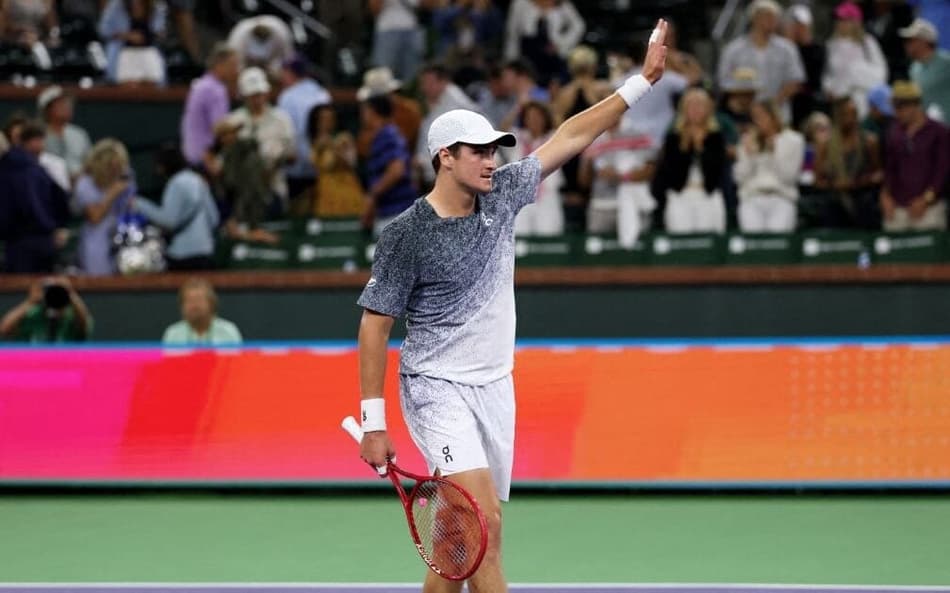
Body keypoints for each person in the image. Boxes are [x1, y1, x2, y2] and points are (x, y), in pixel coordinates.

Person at [355, 19, 668, 593]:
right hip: (434, 387)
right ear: (445, 157)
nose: (493, 161)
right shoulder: (406, 234)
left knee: (455, 535)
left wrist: (640, 84)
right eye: (479, 152)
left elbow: (571, 136)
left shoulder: (502, 194)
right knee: (485, 525)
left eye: (495, 151)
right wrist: (374, 424)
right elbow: (374, 328)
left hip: (496, 387)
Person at [651, 87, 728, 235]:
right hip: (680, 195)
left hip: (707, 194)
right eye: (691, 105)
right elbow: (668, 170)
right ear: (684, 109)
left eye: (699, 105)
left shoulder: (716, 137)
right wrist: (686, 147)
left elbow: (718, 168)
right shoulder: (673, 137)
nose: (695, 110)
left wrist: (700, 147)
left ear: (707, 109)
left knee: (707, 240)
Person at [131, 145, 220, 270]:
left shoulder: (176, 183)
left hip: (183, 256)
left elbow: (169, 221)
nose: (157, 170)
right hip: (206, 252)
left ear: (164, 165)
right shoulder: (198, 180)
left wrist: (139, 204)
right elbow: (214, 218)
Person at [0, 119, 70, 274]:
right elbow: (60, 201)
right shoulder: (36, 169)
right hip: (39, 242)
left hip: (21, 242)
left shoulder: (13, 168)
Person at [717, 0, 805, 122]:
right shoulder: (734, 49)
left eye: (775, 18)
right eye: (768, 17)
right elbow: (724, 80)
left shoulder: (787, 48)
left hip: (778, 115)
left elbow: (795, 80)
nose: (772, 21)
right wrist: (745, 103)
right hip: (743, 115)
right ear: (754, 18)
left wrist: (771, 107)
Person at [880, 80, 949, 231]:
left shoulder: (939, 132)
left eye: (900, 108)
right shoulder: (894, 133)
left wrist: (926, 200)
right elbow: (890, 169)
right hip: (897, 206)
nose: (896, 113)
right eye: (895, 107)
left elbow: (942, 171)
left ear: (914, 105)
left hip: (930, 207)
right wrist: (885, 196)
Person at [230, 66, 296, 213]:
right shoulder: (234, 121)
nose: (257, 99)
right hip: (243, 192)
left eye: (260, 94)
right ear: (244, 96)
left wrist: (275, 164)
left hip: (274, 189)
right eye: (252, 95)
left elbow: (292, 155)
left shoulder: (281, 119)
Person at [734, 99, 805, 233]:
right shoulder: (747, 140)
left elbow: (789, 176)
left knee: (777, 244)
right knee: (754, 245)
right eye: (754, 117)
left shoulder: (793, 140)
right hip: (752, 198)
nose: (758, 121)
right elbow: (741, 177)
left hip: (781, 197)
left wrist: (775, 151)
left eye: (761, 116)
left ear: (773, 116)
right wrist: (749, 155)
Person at [813, 96, 883, 229]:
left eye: (853, 114)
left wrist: (859, 182)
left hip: (863, 199)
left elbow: (879, 173)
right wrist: (834, 185)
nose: (850, 118)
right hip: (834, 202)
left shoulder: (869, 142)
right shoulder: (825, 145)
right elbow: (817, 181)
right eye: (846, 114)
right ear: (837, 116)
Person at [500, 100, 564, 236]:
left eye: (537, 116)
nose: (534, 120)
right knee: (520, 239)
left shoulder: (553, 138)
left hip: (547, 196)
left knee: (549, 237)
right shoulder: (518, 138)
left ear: (544, 118)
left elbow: (566, 128)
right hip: (520, 197)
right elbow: (501, 131)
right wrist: (518, 107)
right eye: (530, 117)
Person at [74, 138, 136, 276]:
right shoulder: (86, 183)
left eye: (119, 166)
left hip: (124, 235)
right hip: (97, 240)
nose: (115, 171)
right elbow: (95, 217)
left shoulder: (125, 176)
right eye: (111, 167)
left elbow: (132, 206)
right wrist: (113, 193)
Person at [277, 55, 332, 205]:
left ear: (290, 72)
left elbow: (286, 134)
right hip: (322, 165)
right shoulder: (322, 94)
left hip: (296, 168)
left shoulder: (287, 97)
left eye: (284, 72)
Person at [360, 95, 417, 235]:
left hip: (396, 212)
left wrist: (372, 195)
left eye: (364, 111)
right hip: (391, 212)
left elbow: (397, 169)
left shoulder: (388, 134)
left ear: (372, 112)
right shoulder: (384, 134)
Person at [822, 1, 888, 120]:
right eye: (838, 19)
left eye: (844, 19)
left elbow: (881, 73)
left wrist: (856, 74)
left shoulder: (867, 43)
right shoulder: (831, 45)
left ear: (855, 22)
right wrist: (828, 88)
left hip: (863, 101)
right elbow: (828, 73)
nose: (840, 23)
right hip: (839, 103)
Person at [180, 43, 240, 168]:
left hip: (192, 157)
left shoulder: (202, 84)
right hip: (205, 161)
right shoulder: (215, 89)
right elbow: (220, 129)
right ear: (220, 65)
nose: (236, 71)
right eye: (233, 65)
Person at [1, 277, 93, 343]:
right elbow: (4, 329)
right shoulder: (33, 316)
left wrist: (69, 293)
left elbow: (85, 323)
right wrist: (30, 301)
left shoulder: (70, 319)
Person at [98, 0, 167, 85]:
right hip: (124, 52)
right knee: (127, 86)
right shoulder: (116, 5)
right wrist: (128, 36)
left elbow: (160, 31)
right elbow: (104, 31)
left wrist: (156, 34)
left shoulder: (157, 6)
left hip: (149, 52)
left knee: (153, 84)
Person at [162, 277, 242, 345]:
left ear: (211, 304)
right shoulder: (173, 334)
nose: (194, 305)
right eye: (189, 301)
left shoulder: (228, 331)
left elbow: (238, 362)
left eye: (199, 300)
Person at [900, 18, 950, 122]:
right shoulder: (914, 68)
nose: (906, 45)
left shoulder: (946, 62)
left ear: (924, 41)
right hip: (929, 130)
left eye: (911, 40)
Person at [38, 86, 92, 181]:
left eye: (69, 103)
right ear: (47, 109)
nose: (67, 106)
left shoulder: (79, 134)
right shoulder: (38, 135)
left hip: (80, 188)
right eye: (61, 103)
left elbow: (90, 164)